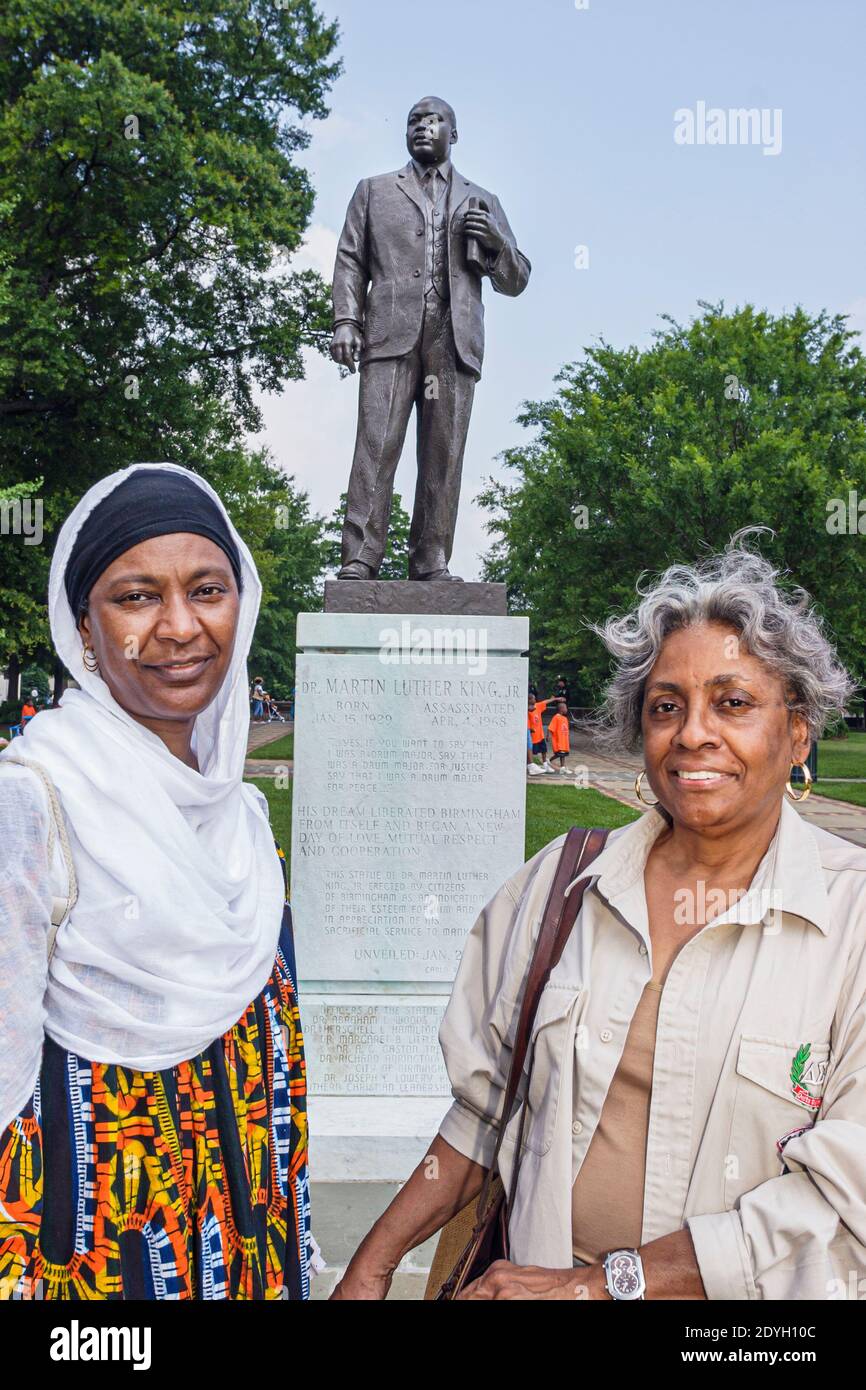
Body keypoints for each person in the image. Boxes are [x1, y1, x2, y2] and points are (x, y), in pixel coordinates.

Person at [333, 535, 866, 1300]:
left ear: (799, 732)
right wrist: (372, 1265)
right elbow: (486, 1110)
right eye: (666, 707)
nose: (692, 734)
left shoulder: (852, 923)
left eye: (734, 703)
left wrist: (597, 1286)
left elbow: (842, 1193)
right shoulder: (561, 883)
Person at [0, 463, 311, 1300]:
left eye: (207, 589)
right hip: (91, 1262)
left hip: (248, 1245)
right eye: (136, 597)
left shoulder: (240, 819)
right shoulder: (34, 801)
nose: (180, 627)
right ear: (83, 632)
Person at [330, 95, 530, 581]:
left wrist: (497, 245)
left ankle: (430, 558)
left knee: (444, 452)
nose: (422, 127)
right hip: (389, 335)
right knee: (376, 444)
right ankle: (360, 557)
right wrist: (345, 322)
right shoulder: (373, 191)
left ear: (453, 135)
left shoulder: (483, 200)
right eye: (413, 121)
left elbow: (517, 279)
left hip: (453, 339)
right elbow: (350, 260)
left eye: (433, 120)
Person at [527, 692, 554, 774]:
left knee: (544, 750)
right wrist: (531, 729)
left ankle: (545, 765)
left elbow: (545, 702)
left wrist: (553, 699)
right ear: (529, 700)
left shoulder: (537, 706)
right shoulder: (527, 710)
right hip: (533, 736)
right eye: (533, 698)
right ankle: (529, 765)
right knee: (529, 751)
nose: (535, 700)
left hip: (540, 735)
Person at [548, 699, 571, 773]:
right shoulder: (556, 717)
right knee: (559, 754)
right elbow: (551, 727)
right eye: (565, 708)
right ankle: (549, 760)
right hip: (559, 740)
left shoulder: (565, 718)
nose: (566, 709)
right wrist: (548, 735)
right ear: (561, 709)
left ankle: (562, 767)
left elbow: (566, 729)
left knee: (563, 754)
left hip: (564, 740)